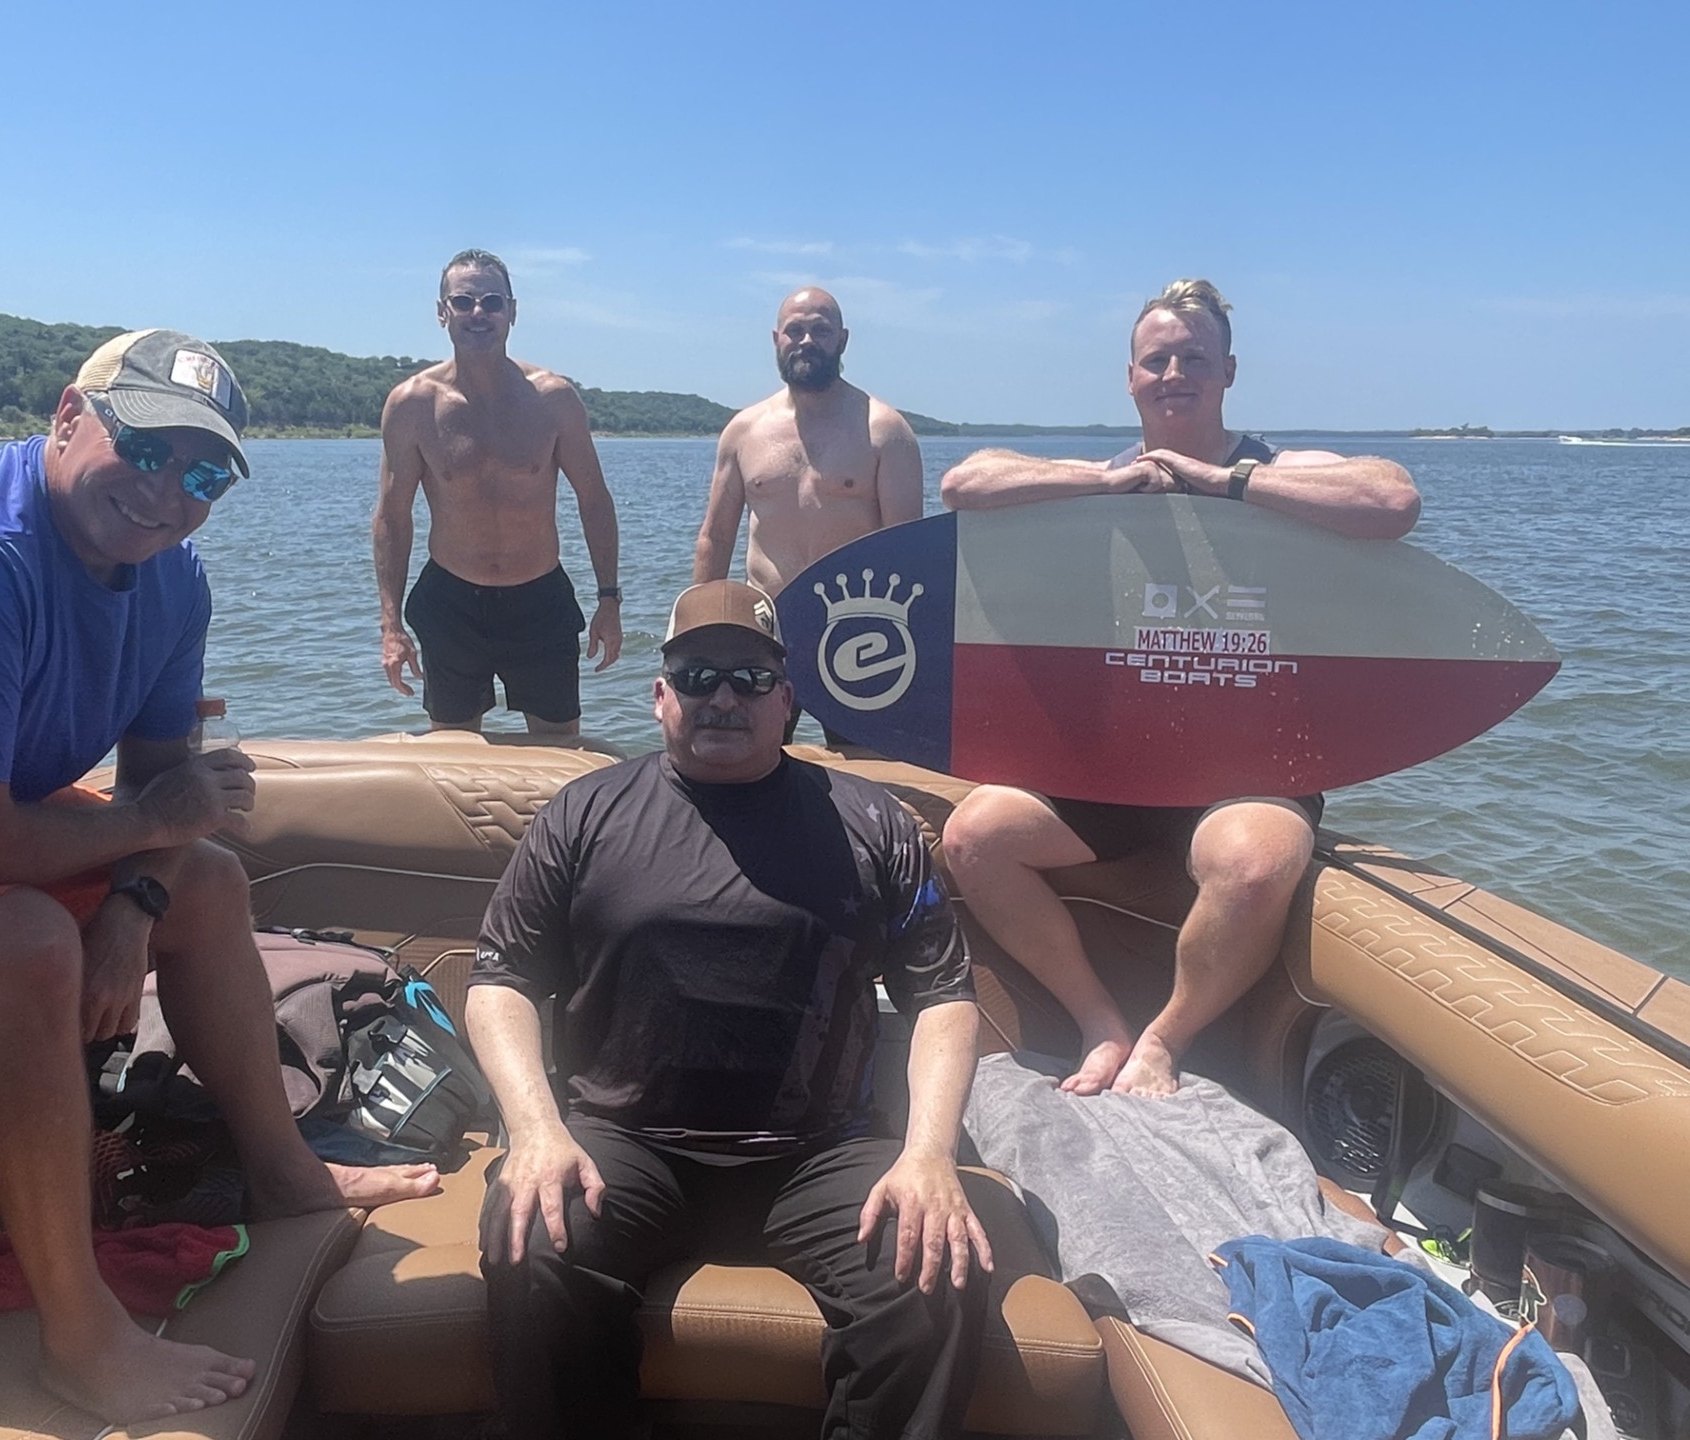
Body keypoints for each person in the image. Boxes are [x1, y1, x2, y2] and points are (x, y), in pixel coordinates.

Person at [0, 330, 440, 1425]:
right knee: (26, 939)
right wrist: (141, 837)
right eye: (148, 446)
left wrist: (136, 904)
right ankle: (80, 1337)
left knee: (208, 882)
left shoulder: (170, 582)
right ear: (68, 416)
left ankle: (286, 1174)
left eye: (208, 473)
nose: (170, 491)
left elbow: (167, 808)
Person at [467, 579, 995, 1438]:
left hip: (819, 1153)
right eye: (699, 674)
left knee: (933, 1275)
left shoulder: (873, 823)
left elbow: (942, 997)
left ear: (786, 701)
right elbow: (502, 981)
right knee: (531, 1244)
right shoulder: (583, 814)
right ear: (661, 694)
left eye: (750, 680)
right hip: (624, 1143)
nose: (723, 697)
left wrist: (930, 1154)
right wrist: (534, 1131)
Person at [937, 279, 1421, 1098]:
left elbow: (1391, 498)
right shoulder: (1106, 477)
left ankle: (1165, 1040)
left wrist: (1222, 483)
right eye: (1155, 360)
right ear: (1130, 378)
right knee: (974, 838)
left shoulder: (1276, 469)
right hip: (1114, 776)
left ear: (1228, 370)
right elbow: (964, 484)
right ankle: (1100, 1023)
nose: (1174, 373)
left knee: (1256, 867)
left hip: (1248, 771)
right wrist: (1101, 481)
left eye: (1193, 357)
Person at [373, 248, 623, 736]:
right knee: (454, 752)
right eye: (463, 302)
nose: (478, 313)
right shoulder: (412, 405)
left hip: (539, 598)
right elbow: (391, 516)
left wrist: (609, 600)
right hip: (451, 601)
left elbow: (594, 499)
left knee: (557, 750)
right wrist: (390, 625)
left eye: (492, 301)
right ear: (442, 311)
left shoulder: (553, 399)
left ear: (512, 311)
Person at [691, 287, 925, 744]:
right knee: (746, 759)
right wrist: (698, 633)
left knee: (866, 764)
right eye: (795, 331)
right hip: (766, 629)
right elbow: (715, 539)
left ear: (842, 340)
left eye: (820, 330)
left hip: (859, 631)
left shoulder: (884, 430)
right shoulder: (744, 431)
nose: (806, 340)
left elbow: (906, 551)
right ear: (777, 339)